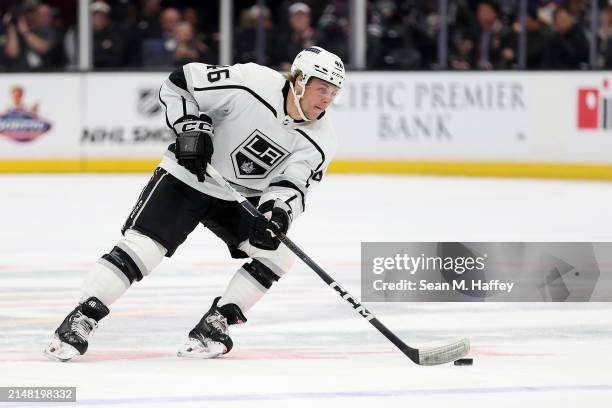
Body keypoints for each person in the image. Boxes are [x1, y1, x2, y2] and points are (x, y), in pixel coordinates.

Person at [43, 46, 346, 361]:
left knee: (279, 254)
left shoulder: (322, 140)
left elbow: (292, 184)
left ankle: (216, 324)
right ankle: (82, 318)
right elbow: (180, 82)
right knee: (144, 248)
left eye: (333, 91)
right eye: (321, 88)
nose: (327, 98)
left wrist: (279, 212)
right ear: (299, 81)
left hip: (236, 196)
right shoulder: (251, 82)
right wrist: (190, 126)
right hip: (189, 177)